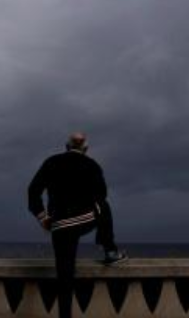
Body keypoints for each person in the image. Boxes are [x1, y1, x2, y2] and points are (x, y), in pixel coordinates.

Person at [28, 132, 127, 318]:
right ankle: (110, 251)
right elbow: (101, 195)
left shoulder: (51, 162)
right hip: (84, 220)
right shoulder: (92, 165)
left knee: (64, 278)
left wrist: (43, 218)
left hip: (59, 225)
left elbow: (33, 191)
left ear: (66, 147)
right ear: (86, 148)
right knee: (103, 205)